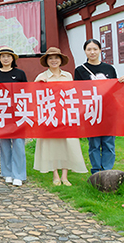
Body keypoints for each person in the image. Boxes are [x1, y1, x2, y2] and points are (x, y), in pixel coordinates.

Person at [33, 47, 88, 185]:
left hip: (66, 115)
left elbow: (74, 94)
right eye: (50, 58)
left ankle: (65, 175)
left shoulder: (68, 76)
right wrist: (40, 86)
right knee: (52, 145)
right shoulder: (41, 77)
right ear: (47, 61)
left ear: (60, 60)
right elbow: (33, 96)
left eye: (56, 58)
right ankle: (55, 175)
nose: (54, 61)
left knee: (67, 144)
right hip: (50, 116)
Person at [73, 39, 124, 174]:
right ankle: (96, 171)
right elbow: (78, 91)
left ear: (100, 50)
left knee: (109, 143)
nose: (92, 52)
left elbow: (114, 89)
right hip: (91, 111)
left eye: (95, 49)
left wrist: (121, 82)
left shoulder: (109, 69)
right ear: (85, 51)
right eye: (89, 49)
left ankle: (107, 170)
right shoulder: (80, 70)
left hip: (109, 111)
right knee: (94, 143)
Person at [0, 47, 28, 187]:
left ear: (13, 59)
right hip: (2, 113)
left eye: (8, 56)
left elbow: (27, 93)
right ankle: (8, 173)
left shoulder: (20, 74)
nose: (5, 59)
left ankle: (19, 174)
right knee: (4, 145)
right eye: (3, 56)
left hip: (17, 113)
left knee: (18, 144)